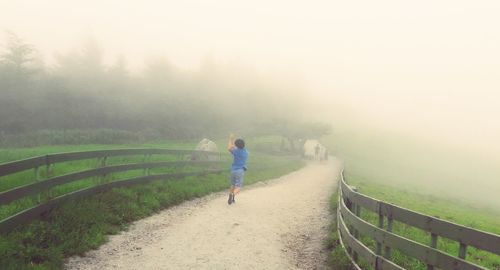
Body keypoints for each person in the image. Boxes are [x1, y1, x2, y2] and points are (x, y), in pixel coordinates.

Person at [227, 133, 248, 205]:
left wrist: (231, 139)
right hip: (240, 170)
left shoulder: (235, 151)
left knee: (232, 184)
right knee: (238, 186)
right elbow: (238, 146)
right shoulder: (246, 152)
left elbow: (229, 148)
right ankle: (233, 195)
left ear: (236, 145)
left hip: (233, 170)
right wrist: (234, 143)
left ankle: (230, 195)